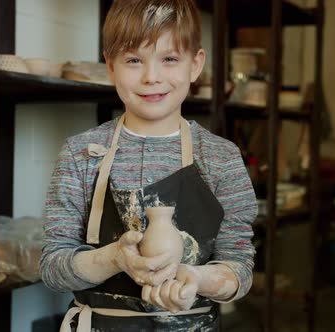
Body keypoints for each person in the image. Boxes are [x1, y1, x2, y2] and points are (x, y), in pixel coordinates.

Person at [41, 0, 257, 330]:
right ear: (110, 66)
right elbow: (53, 267)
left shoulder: (220, 158)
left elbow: (239, 268)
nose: (151, 77)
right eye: (133, 60)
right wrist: (114, 258)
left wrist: (196, 278)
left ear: (195, 65)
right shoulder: (81, 154)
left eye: (169, 59)